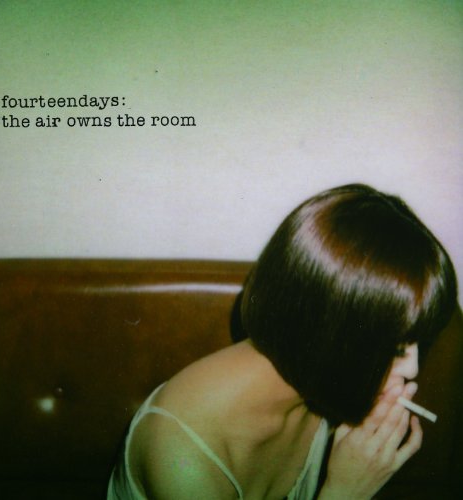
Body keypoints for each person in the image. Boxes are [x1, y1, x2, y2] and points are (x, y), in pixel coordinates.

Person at [107, 184, 457, 500]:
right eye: (396, 349)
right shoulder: (183, 463)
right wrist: (344, 491)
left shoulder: (320, 386)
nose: (412, 369)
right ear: (330, 336)